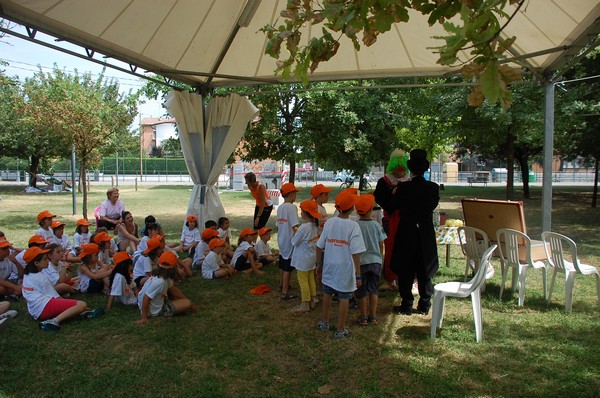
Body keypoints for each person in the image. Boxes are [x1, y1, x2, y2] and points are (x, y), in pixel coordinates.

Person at [391, 149, 440, 316]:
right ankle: (425, 303)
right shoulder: (433, 188)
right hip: (425, 230)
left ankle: (407, 303)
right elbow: (431, 206)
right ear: (425, 168)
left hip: (407, 230)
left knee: (405, 267)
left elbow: (395, 206)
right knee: (425, 265)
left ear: (410, 168)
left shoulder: (403, 188)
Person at [316, 192, 366, 339]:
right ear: (352, 209)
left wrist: (319, 265)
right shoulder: (353, 226)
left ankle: (324, 322)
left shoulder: (330, 222)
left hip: (329, 266)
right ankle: (340, 329)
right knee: (344, 296)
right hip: (345, 268)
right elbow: (356, 253)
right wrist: (358, 274)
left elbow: (319, 246)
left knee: (327, 293)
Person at [22, 246, 103, 332]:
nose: (48, 261)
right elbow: (56, 297)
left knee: (76, 307)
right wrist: (71, 305)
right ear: (36, 263)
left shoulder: (28, 275)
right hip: (44, 307)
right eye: (45, 259)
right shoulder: (41, 278)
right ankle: (53, 321)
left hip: (35, 310)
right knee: (82, 305)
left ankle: (83, 314)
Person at [374, 150, 410, 290]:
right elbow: (381, 200)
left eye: (402, 170)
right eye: (398, 170)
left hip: (406, 218)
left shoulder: (409, 181)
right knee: (391, 247)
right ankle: (390, 278)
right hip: (391, 218)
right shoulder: (384, 182)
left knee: (406, 247)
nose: (401, 173)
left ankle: (405, 276)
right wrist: (393, 196)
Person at [136, 252, 196, 325]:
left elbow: (174, 290)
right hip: (155, 311)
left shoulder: (162, 276)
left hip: (156, 303)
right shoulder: (160, 282)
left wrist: (185, 299)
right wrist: (144, 318)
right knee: (187, 303)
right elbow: (146, 298)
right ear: (174, 268)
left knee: (185, 301)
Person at [354, 194, 387, 325]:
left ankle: (363, 317)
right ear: (370, 210)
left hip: (361, 263)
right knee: (373, 289)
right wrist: (381, 258)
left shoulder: (355, 226)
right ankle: (373, 316)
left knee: (361, 291)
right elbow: (381, 244)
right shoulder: (376, 225)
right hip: (375, 262)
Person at [291, 200, 323, 313]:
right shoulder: (314, 226)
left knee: (303, 281)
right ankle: (313, 299)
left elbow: (294, 242)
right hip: (311, 258)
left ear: (304, 213)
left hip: (302, 260)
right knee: (311, 279)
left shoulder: (303, 228)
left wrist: (295, 231)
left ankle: (305, 303)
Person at [277, 183, 300, 299]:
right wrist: (301, 236)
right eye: (295, 193)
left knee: (282, 263)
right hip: (289, 241)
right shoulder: (292, 207)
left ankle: (281, 285)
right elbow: (295, 226)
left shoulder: (280, 207)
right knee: (288, 267)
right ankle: (285, 292)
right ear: (291, 194)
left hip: (281, 239)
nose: (296, 196)